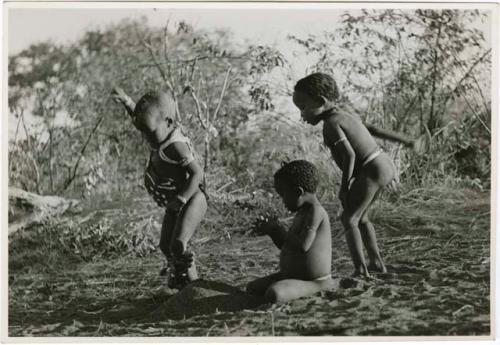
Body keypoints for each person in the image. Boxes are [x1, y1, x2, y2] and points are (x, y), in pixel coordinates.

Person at [293, 73, 397, 277]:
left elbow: (349, 155)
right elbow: (369, 132)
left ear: (321, 102)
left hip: (372, 167)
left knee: (349, 219)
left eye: (303, 107)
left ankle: (360, 269)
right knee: (361, 217)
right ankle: (375, 263)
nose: (302, 115)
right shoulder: (344, 114)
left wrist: (344, 187)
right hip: (382, 163)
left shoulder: (331, 124)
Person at [111, 87, 207, 289]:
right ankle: (182, 281)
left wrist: (180, 199)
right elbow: (143, 122)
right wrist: (128, 102)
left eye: (149, 132)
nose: (146, 137)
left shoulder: (175, 146)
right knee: (166, 245)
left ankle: (195, 287)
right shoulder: (158, 134)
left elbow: (198, 174)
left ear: (169, 123)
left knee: (178, 245)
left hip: (192, 199)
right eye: (143, 132)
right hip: (176, 204)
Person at [247, 160, 334, 303]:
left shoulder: (316, 212)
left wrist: (278, 229)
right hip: (292, 277)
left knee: (275, 293)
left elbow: (302, 246)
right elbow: (286, 245)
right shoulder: (302, 212)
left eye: (283, 195)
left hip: (315, 281)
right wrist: (272, 231)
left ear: (298, 192)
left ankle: (324, 287)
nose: (283, 201)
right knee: (252, 288)